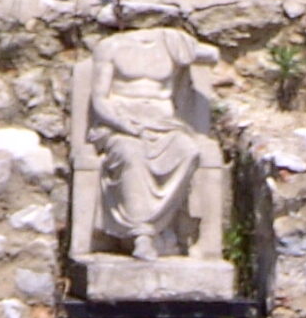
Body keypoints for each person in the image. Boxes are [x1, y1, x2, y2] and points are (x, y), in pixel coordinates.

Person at [87, 27, 221, 260]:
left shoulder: (171, 43)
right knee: (131, 155)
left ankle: (162, 225)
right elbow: (99, 98)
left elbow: (212, 56)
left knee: (188, 151)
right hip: (122, 121)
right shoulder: (110, 47)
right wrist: (123, 124)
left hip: (164, 123)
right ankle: (142, 235)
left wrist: (178, 42)